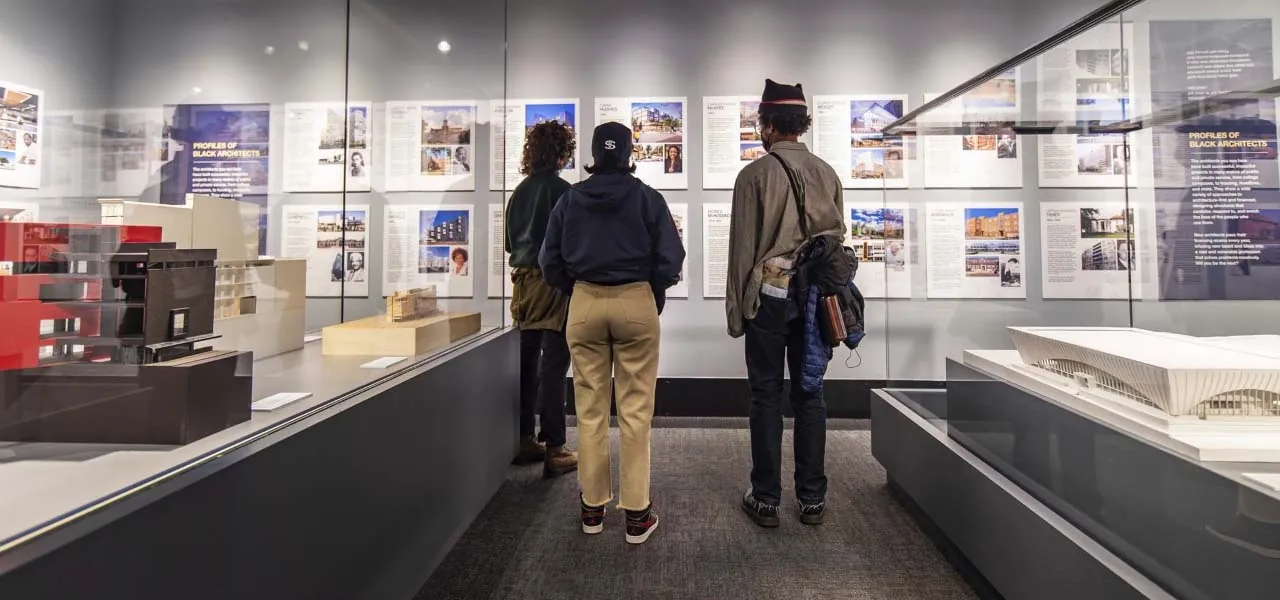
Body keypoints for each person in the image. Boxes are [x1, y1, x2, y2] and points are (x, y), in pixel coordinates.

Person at [541, 121, 685, 545]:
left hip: (584, 302)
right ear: (627, 153)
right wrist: (649, 291)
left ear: (593, 153)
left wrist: (579, 289)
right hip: (635, 301)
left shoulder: (570, 200)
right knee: (636, 411)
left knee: (589, 410)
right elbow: (670, 259)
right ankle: (637, 515)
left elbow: (549, 262)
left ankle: (592, 508)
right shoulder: (647, 198)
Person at [727, 80, 846, 528]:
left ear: (769, 124)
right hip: (816, 296)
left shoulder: (753, 176)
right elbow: (836, 243)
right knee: (810, 393)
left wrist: (737, 312)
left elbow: (743, 252)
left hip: (772, 297)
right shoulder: (827, 173)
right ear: (802, 125)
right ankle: (812, 499)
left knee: (765, 395)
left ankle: (766, 498)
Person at [505, 120, 579, 477]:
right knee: (554, 365)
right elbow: (569, 244)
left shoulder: (519, 192)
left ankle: (522, 438)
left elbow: (509, 243)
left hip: (520, 283)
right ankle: (556, 446)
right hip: (550, 283)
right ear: (562, 152)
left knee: (525, 364)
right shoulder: (564, 192)